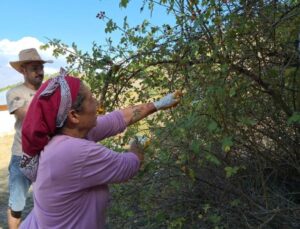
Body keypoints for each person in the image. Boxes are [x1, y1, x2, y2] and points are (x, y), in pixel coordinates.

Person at [19, 69, 181, 228]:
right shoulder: (72, 151)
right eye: (91, 99)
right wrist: (137, 145)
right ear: (74, 115)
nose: (97, 104)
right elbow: (128, 166)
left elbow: (118, 118)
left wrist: (158, 104)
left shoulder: (71, 132)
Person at [5, 48, 53, 229]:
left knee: (49, 200)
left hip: (48, 153)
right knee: (17, 205)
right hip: (22, 155)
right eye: (34, 68)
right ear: (23, 70)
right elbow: (25, 116)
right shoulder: (14, 93)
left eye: (41, 67)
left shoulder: (50, 91)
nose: (39, 72)